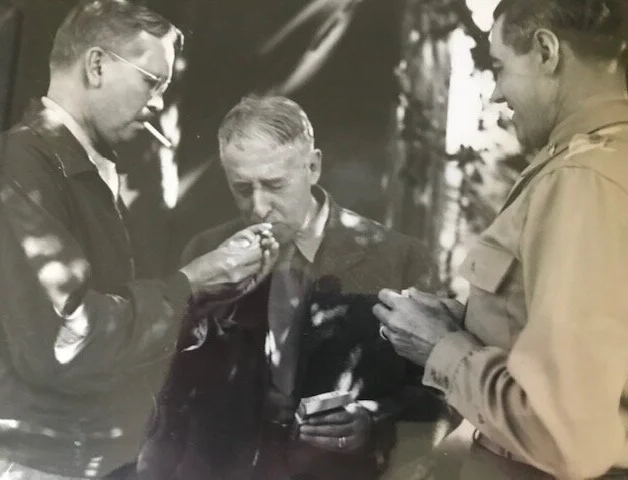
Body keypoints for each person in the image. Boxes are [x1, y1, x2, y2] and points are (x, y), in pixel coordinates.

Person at [0, 1, 278, 479]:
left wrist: (208, 296)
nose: (159, 102)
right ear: (96, 65)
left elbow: (114, 322)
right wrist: (191, 283)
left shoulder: (82, 167)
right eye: (152, 82)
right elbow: (64, 341)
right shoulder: (20, 166)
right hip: (35, 462)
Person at [138, 95, 455, 480]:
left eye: (274, 185)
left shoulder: (398, 259)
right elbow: (171, 390)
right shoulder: (207, 251)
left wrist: (373, 423)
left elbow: (442, 395)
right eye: (242, 188)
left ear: (313, 166)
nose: (259, 207)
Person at [374, 0, 628, 478]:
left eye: (500, 67)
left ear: (546, 50)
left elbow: (562, 435)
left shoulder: (582, 179)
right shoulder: (601, 162)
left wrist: (440, 347)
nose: (496, 93)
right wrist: (473, 325)